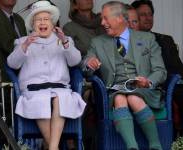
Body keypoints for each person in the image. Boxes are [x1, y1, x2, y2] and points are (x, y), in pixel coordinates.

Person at [82, 1, 167, 150]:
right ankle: (132, 147)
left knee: (133, 97)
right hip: (114, 89)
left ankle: (155, 145)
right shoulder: (97, 42)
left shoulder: (147, 39)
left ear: (120, 18)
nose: (102, 23)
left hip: (144, 89)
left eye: (105, 18)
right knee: (120, 97)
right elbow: (85, 67)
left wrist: (148, 82)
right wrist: (89, 63)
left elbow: (160, 70)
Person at [7, 1, 86, 150]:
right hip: (33, 89)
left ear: (52, 22)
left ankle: (52, 147)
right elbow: (12, 64)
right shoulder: (22, 41)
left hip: (60, 88)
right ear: (32, 24)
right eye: (38, 20)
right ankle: (54, 147)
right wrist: (25, 46)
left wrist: (64, 43)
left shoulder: (64, 39)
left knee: (59, 97)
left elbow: (75, 61)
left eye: (46, 19)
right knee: (41, 99)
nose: (42, 23)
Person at [131, 0, 183, 136]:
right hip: (149, 85)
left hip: (172, 83)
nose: (148, 18)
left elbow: (178, 69)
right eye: (142, 15)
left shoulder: (165, 40)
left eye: (150, 14)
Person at [63, 1, 104, 149]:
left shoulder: (103, 22)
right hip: (83, 74)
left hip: (106, 72)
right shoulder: (70, 27)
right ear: (74, 4)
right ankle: (74, 139)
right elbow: (70, 57)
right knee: (85, 93)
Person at [0, 0, 26, 81]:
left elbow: (25, 44)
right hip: (3, 73)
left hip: (23, 71)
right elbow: (7, 45)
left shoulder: (19, 19)